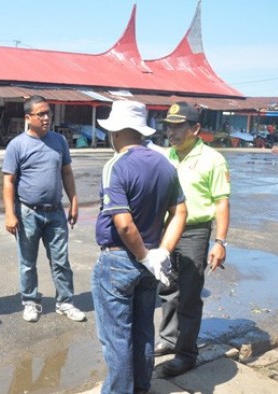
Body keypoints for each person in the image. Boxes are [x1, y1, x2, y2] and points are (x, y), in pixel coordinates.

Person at [92, 100, 186, 394]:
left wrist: (145, 256)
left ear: (116, 132)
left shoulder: (116, 165)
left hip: (120, 261)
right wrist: (161, 253)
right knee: (144, 331)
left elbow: (123, 224)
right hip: (150, 265)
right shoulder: (165, 163)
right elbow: (180, 212)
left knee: (117, 339)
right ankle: (142, 388)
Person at [156, 101, 231, 377]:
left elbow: (221, 203)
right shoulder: (166, 156)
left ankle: (186, 355)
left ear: (195, 128)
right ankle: (168, 339)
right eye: (168, 127)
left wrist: (220, 242)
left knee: (188, 295)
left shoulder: (213, 160)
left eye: (178, 127)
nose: (171, 133)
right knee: (167, 289)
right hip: (166, 232)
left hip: (194, 232)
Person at [2, 95, 85, 323]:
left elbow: (66, 173)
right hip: (28, 212)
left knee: (60, 260)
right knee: (28, 262)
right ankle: (30, 301)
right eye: (41, 114)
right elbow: (9, 181)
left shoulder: (59, 141)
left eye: (49, 113)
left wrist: (74, 202)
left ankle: (65, 302)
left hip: (56, 212)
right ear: (28, 118)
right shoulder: (17, 145)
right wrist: (10, 214)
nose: (47, 117)